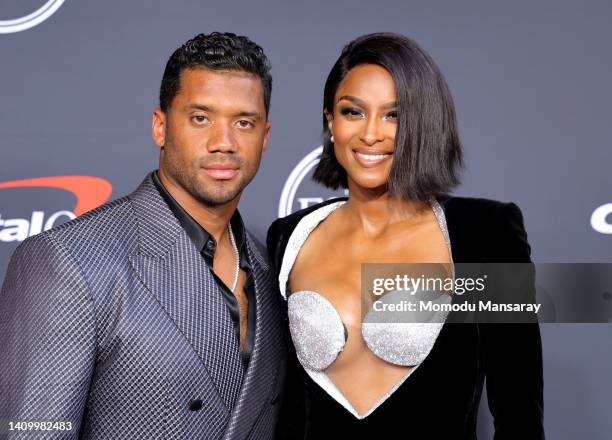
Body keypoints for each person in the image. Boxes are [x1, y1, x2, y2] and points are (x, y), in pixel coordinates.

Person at [0, 32, 286, 439]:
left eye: (244, 123)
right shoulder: (67, 260)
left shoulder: (272, 268)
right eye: (200, 118)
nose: (224, 143)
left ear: (265, 137)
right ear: (160, 127)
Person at [267, 33, 544, 438]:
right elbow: (288, 409)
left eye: (393, 115)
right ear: (330, 121)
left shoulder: (484, 232)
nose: (371, 134)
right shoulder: (290, 237)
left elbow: (519, 410)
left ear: (422, 124)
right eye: (352, 112)